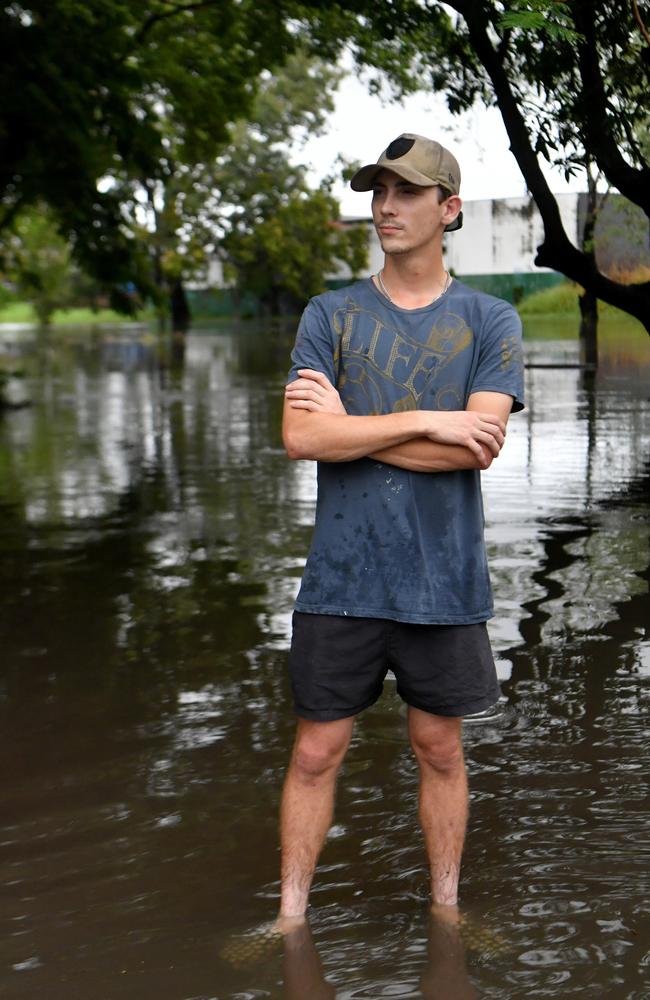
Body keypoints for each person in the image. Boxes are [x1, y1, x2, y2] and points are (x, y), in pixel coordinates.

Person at [279, 133, 524, 919]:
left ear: (449, 208)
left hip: (443, 579)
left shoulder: (491, 320)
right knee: (316, 751)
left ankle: (448, 912)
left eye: (408, 192)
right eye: (378, 191)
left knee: (439, 748)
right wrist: (426, 421)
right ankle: (288, 919)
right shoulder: (331, 315)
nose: (386, 206)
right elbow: (303, 438)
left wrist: (356, 424)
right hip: (339, 576)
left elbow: (478, 448)